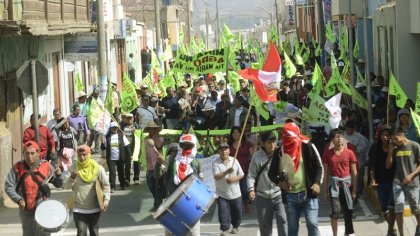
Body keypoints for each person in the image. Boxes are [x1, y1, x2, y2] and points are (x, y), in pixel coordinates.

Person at [271, 122, 323, 236]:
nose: (288, 139)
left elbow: (319, 166)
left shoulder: (307, 145)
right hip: (290, 196)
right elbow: (271, 173)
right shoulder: (280, 152)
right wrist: (281, 183)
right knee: (292, 228)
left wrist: (317, 183)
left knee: (312, 223)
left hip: (308, 194)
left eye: (290, 136)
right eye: (285, 136)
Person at [4, 141, 63, 236]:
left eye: (32, 153)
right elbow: (8, 186)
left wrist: (59, 175)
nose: (29, 156)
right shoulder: (17, 167)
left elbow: (59, 184)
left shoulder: (46, 166)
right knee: (28, 234)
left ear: (38, 153)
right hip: (26, 209)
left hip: (43, 208)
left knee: (44, 234)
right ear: (23, 154)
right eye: (26, 153)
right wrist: (18, 199)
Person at [155, 134, 204, 236]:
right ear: (179, 145)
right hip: (172, 203)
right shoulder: (170, 159)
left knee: (193, 233)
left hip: (191, 205)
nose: (185, 148)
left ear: (194, 146)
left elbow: (201, 184)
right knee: (170, 233)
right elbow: (157, 175)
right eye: (183, 145)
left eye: (188, 145)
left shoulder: (197, 163)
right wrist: (158, 164)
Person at [64, 145, 110, 236]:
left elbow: (105, 185)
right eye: (80, 155)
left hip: (95, 208)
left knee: (94, 232)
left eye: (84, 155)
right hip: (78, 208)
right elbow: (65, 186)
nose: (82, 157)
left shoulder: (97, 168)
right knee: (81, 231)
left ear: (89, 155)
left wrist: (106, 200)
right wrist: (71, 178)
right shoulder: (73, 168)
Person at [247, 131, 288, 236]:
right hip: (262, 196)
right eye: (269, 142)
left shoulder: (280, 154)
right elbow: (251, 175)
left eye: (274, 142)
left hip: (278, 194)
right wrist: (251, 189)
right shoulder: (256, 156)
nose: (272, 145)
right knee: (265, 227)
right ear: (263, 143)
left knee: (283, 220)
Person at [322, 128, 358, 236]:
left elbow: (354, 172)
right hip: (334, 187)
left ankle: (348, 232)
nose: (339, 139)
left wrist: (355, 190)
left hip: (347, 186)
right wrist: (325, 191)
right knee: (335, 212)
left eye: (341, 136)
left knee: (348, 212)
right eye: (336, 137)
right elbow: (326, 174)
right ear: (332, 140)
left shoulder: (349, 152)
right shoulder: (328, 153)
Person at [386, 127, 420, 236]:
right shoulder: (395, 148)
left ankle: (419, 226)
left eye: (395, 138)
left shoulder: (415, 146)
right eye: (392, 140)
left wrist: (412, 175)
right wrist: (390, 151)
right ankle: (401, 234)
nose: (394, 141)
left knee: (415, 208)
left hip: (413, 182)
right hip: (398, 182)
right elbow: (388, 166)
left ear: (402, 135)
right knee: (398, 207)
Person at [368, 125, 397, 236]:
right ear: (379, 135)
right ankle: (391, 228)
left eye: (388, 135)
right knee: (384, 207)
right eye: (383, 135)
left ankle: (391, 230)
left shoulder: (395, 147)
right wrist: (373, 179)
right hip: (380, 181)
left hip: (393, 181)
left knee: (391, 206)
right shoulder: (375, 147)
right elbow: (371, 166)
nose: (385, 137)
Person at [213, 142, 244, 235]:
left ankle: (235, 226)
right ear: (219, 151)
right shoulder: (215, 162)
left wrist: (234, 179)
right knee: (223, 212)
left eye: (226, 149)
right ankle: (224, 229)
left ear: (229, 151)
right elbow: (216, 176)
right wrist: (227, 172)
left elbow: (241, 174)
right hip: (221, 193)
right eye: (221, 149)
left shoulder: (235, 160)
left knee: (237, 211)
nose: (224, 151)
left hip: (235, 192)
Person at [228, 126, 254, 213]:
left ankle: (246, 204)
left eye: (237, 132)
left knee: (244, 190)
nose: (235, 134)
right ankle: (236, 207)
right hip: (233, 172)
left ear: (240, 133)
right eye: (233, 132)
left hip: (244, 171)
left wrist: (256, 144)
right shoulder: (229, 145)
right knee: (234, 191)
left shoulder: (247, 143)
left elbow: (253, 155)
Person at [102, 122, 131, 192]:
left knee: (121, 171)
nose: (115, 129)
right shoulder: (107, 137)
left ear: (117, 128)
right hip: (111, 158)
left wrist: (130, 155)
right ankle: (112, 186)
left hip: (120, 157)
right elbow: (103, 148)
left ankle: (122, 184)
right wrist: (102, 142)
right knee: (112, 172)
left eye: (116, 128)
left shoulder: (121, 135)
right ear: (110, 128)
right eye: (113, 128)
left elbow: (126, 146)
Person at [343, 119, 370, 198]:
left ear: (354, 129)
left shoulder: (360, 137)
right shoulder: (341, 136)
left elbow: (366, 147)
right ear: (346, 128)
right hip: (345, 162)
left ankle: (358, 192)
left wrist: (356, 148)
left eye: (352, 129)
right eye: (348, 128)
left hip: (358, 161)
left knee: (358, 178)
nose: (350, 130)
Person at [143, 121, 164, 210]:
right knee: (150, 186)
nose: (152, 130)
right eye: (150, 129)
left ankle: (157, 204)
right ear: (148, 130)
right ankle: (158, 201)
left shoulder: (160, 139)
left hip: (158, 166)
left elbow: (159, 147)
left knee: (157, 186)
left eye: (154, 129)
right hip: (149, 166)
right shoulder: (145, 139)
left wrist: (155, 141)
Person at [121, 113, 141, 185]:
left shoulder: (137, 126)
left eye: (130, 118)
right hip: (126, 147)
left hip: (135, 147)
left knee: (136, 162)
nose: (129, 120)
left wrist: (135, 132)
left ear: (133, 119)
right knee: (127, 163)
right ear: (125, 119)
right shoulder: (122, 127)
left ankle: (136, 178)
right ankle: (127, 179)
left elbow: (140, 136)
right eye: (127, 118)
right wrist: (121, 134)